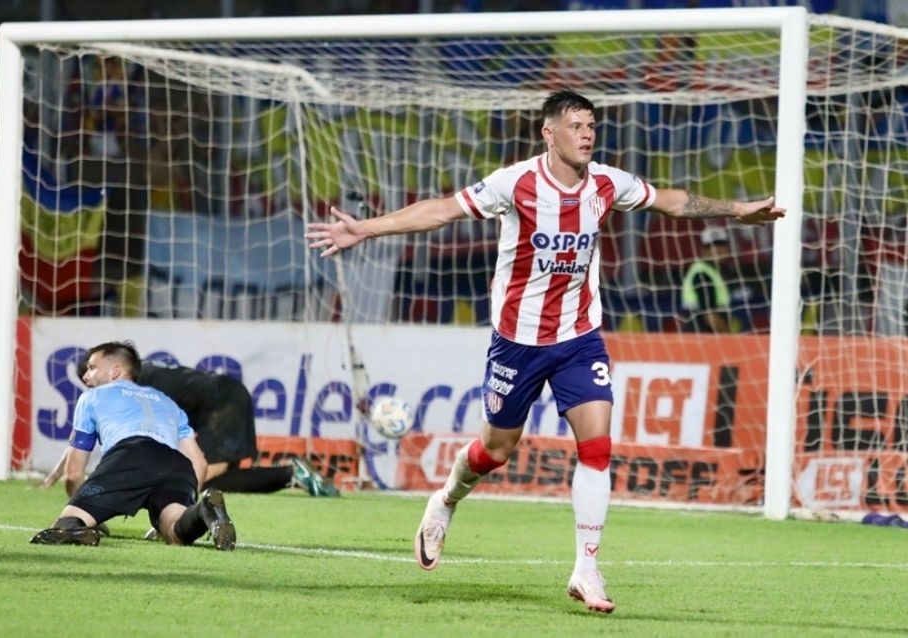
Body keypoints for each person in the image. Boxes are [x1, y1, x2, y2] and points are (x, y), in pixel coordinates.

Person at [305, 88, 785, 614]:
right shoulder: (516, 183)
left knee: (597, 447)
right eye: (576, 126)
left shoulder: (606, 183)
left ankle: (586, 568)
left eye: (592, 126)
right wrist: (365, 229)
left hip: (579, 337)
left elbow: (670, 200)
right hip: (518, 341)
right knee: (495, 452)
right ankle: (446, 499)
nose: (587, 135)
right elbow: (442, 211)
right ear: (549, 133)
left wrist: (738, 210)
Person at [30, 340, 237, 551]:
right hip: (175, 464)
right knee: (175, 531)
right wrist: (188, 500)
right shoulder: (167, 402)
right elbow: (200, 464)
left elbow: (73, 474)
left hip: (129, 454)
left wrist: (82, 507)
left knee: (63, 526)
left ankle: (77, 529)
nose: (85, 376)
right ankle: (202, 511)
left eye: (92, 367)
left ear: (115, 371)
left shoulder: (92, 397)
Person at [41, 357, 339, 498]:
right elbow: (83, 435)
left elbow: (89, 432)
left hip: (222, 404)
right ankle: (292, 474)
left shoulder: (130, 388)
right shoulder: (136, 375)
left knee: (198, 481)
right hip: (226, 396)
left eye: (92, 374)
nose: (90, 384)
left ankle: (291, 473)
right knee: (219, 480)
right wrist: (57, 472)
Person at [680, 226, 736, 333]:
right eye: (710, 246)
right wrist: (728, 338)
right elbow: (710, 316)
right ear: (703, 250)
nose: (717, 250)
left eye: (721, 244)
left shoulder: (716, 272)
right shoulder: (702, 273)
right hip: (701, 336)